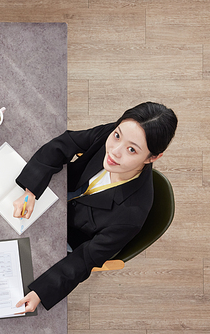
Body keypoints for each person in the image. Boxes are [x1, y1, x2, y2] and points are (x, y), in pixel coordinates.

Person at [12, 102, 177, 311]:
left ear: (152, 158)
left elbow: (85, 258)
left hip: (71, 237)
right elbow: (65, 143)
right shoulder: (114, 134)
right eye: (117, 136)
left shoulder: (131, 216)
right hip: (60, 195)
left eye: (132, 150)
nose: (114, 152)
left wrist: (40, 293)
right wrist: (31, 191)